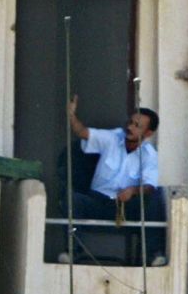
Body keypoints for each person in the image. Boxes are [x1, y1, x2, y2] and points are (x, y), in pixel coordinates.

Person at [66, 96, 165, 264]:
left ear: (148, 133)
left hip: (125, 208)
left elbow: (150, 186)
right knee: (72, 198)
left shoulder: (149, 155)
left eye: (137, 126)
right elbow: (83, 132)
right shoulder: (113, 138)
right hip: (98, 202)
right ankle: (72, 251)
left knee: (156, 196)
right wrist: (71, 116)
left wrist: (132, 191)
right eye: (130, 122)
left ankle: (151, 255)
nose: (130, 127)